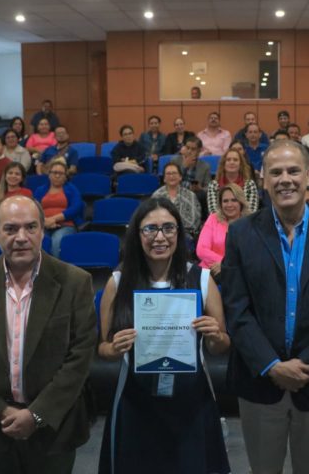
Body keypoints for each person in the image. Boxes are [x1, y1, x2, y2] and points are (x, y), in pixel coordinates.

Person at [222, 140, 309, 474]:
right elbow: (236, 308)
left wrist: (308, 364)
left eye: (293, 170)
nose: (285, 179)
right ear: (263, 179)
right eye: (276, 172)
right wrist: (271, 365)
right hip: (259, 381)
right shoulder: (241, 234)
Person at [0, 195, 95, 473]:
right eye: (11, 229)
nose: (21, 237)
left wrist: (36, 415)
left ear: (42, 230)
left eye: (31, 227)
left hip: (54, 427)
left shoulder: (75, 282)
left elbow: (80, 357)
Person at [97, 198, 230, 474]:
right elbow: (103, 349)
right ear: (137, 234)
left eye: (169, 228)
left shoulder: (202, 279)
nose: (160, 237)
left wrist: (215, 336)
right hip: (135, 400)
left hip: (191, 400)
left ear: (179, 233)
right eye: (150, 229)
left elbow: (221, 345)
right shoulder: (118, 282)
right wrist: (115, 348)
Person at [197, 184, 248, 284]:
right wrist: (224, 263)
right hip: (210, 272)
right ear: (220, 204)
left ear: (241, 202)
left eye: (234, 200)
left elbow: (250, 256)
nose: (229, 205)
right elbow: (201, 250)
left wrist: (224, 265)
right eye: (225, 201)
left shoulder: (249, 223)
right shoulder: (213, 219)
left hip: (239, 274)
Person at [32, 160, 83, 259]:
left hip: (65, 225)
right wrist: (45, 221)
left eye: (61, 173)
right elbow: (34, 208)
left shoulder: (72, 189)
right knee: (37, 241)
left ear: (65, 176)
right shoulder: (40, 190)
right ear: (49, 174)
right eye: (54, 173)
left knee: (57, 240)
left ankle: (56, 271)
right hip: (43, 225)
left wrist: (54, 219)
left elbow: (76, 207)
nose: (57, 176)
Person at [151, 163, 201, 236]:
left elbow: (193, 222)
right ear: (164, 178)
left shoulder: (190, 195)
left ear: (180, 177)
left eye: (174, 173)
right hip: (162, 233)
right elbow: (153, 219)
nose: (171, 176)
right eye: (168, 174)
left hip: (185, 234)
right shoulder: (157, 196)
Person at [206, 148, 259, 214]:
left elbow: (251, 211)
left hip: (244, 222)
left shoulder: (249, 184)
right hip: (220, 222)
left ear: (240, 164)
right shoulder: (214, 185)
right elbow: (213, 211)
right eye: (228, 160)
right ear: (223, 164)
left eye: (235, 160)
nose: (232, 162)